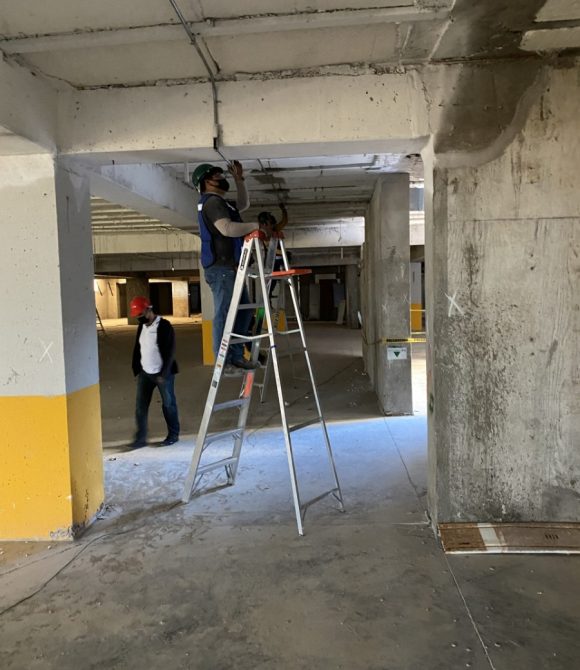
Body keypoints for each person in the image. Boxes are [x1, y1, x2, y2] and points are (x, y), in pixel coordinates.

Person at [191, 160, 262, 375]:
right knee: (223, 313)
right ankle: (222, 363)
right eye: (216, 175)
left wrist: (239, 180)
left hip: (231, 268)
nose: (222, 178)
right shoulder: (212, 203)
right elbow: (227, 229)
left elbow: (243, 204)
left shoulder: (222, 203)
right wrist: (255, 227)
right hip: (221, 269)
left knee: (244, 311)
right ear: (206, 182)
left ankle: (237, 356)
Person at [129, 296, 180, 449]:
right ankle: (140, 438)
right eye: (137, 316)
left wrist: (163, 374)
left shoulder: (164, 326)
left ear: (148, 309)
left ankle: (173, 435)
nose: (139, 318)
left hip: (163, 374)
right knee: (140, 407)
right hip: (145, 374)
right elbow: (138, 348)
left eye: (141, 314)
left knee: (168, 405)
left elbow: (170, 352)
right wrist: (137, 369)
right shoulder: (141, 327)